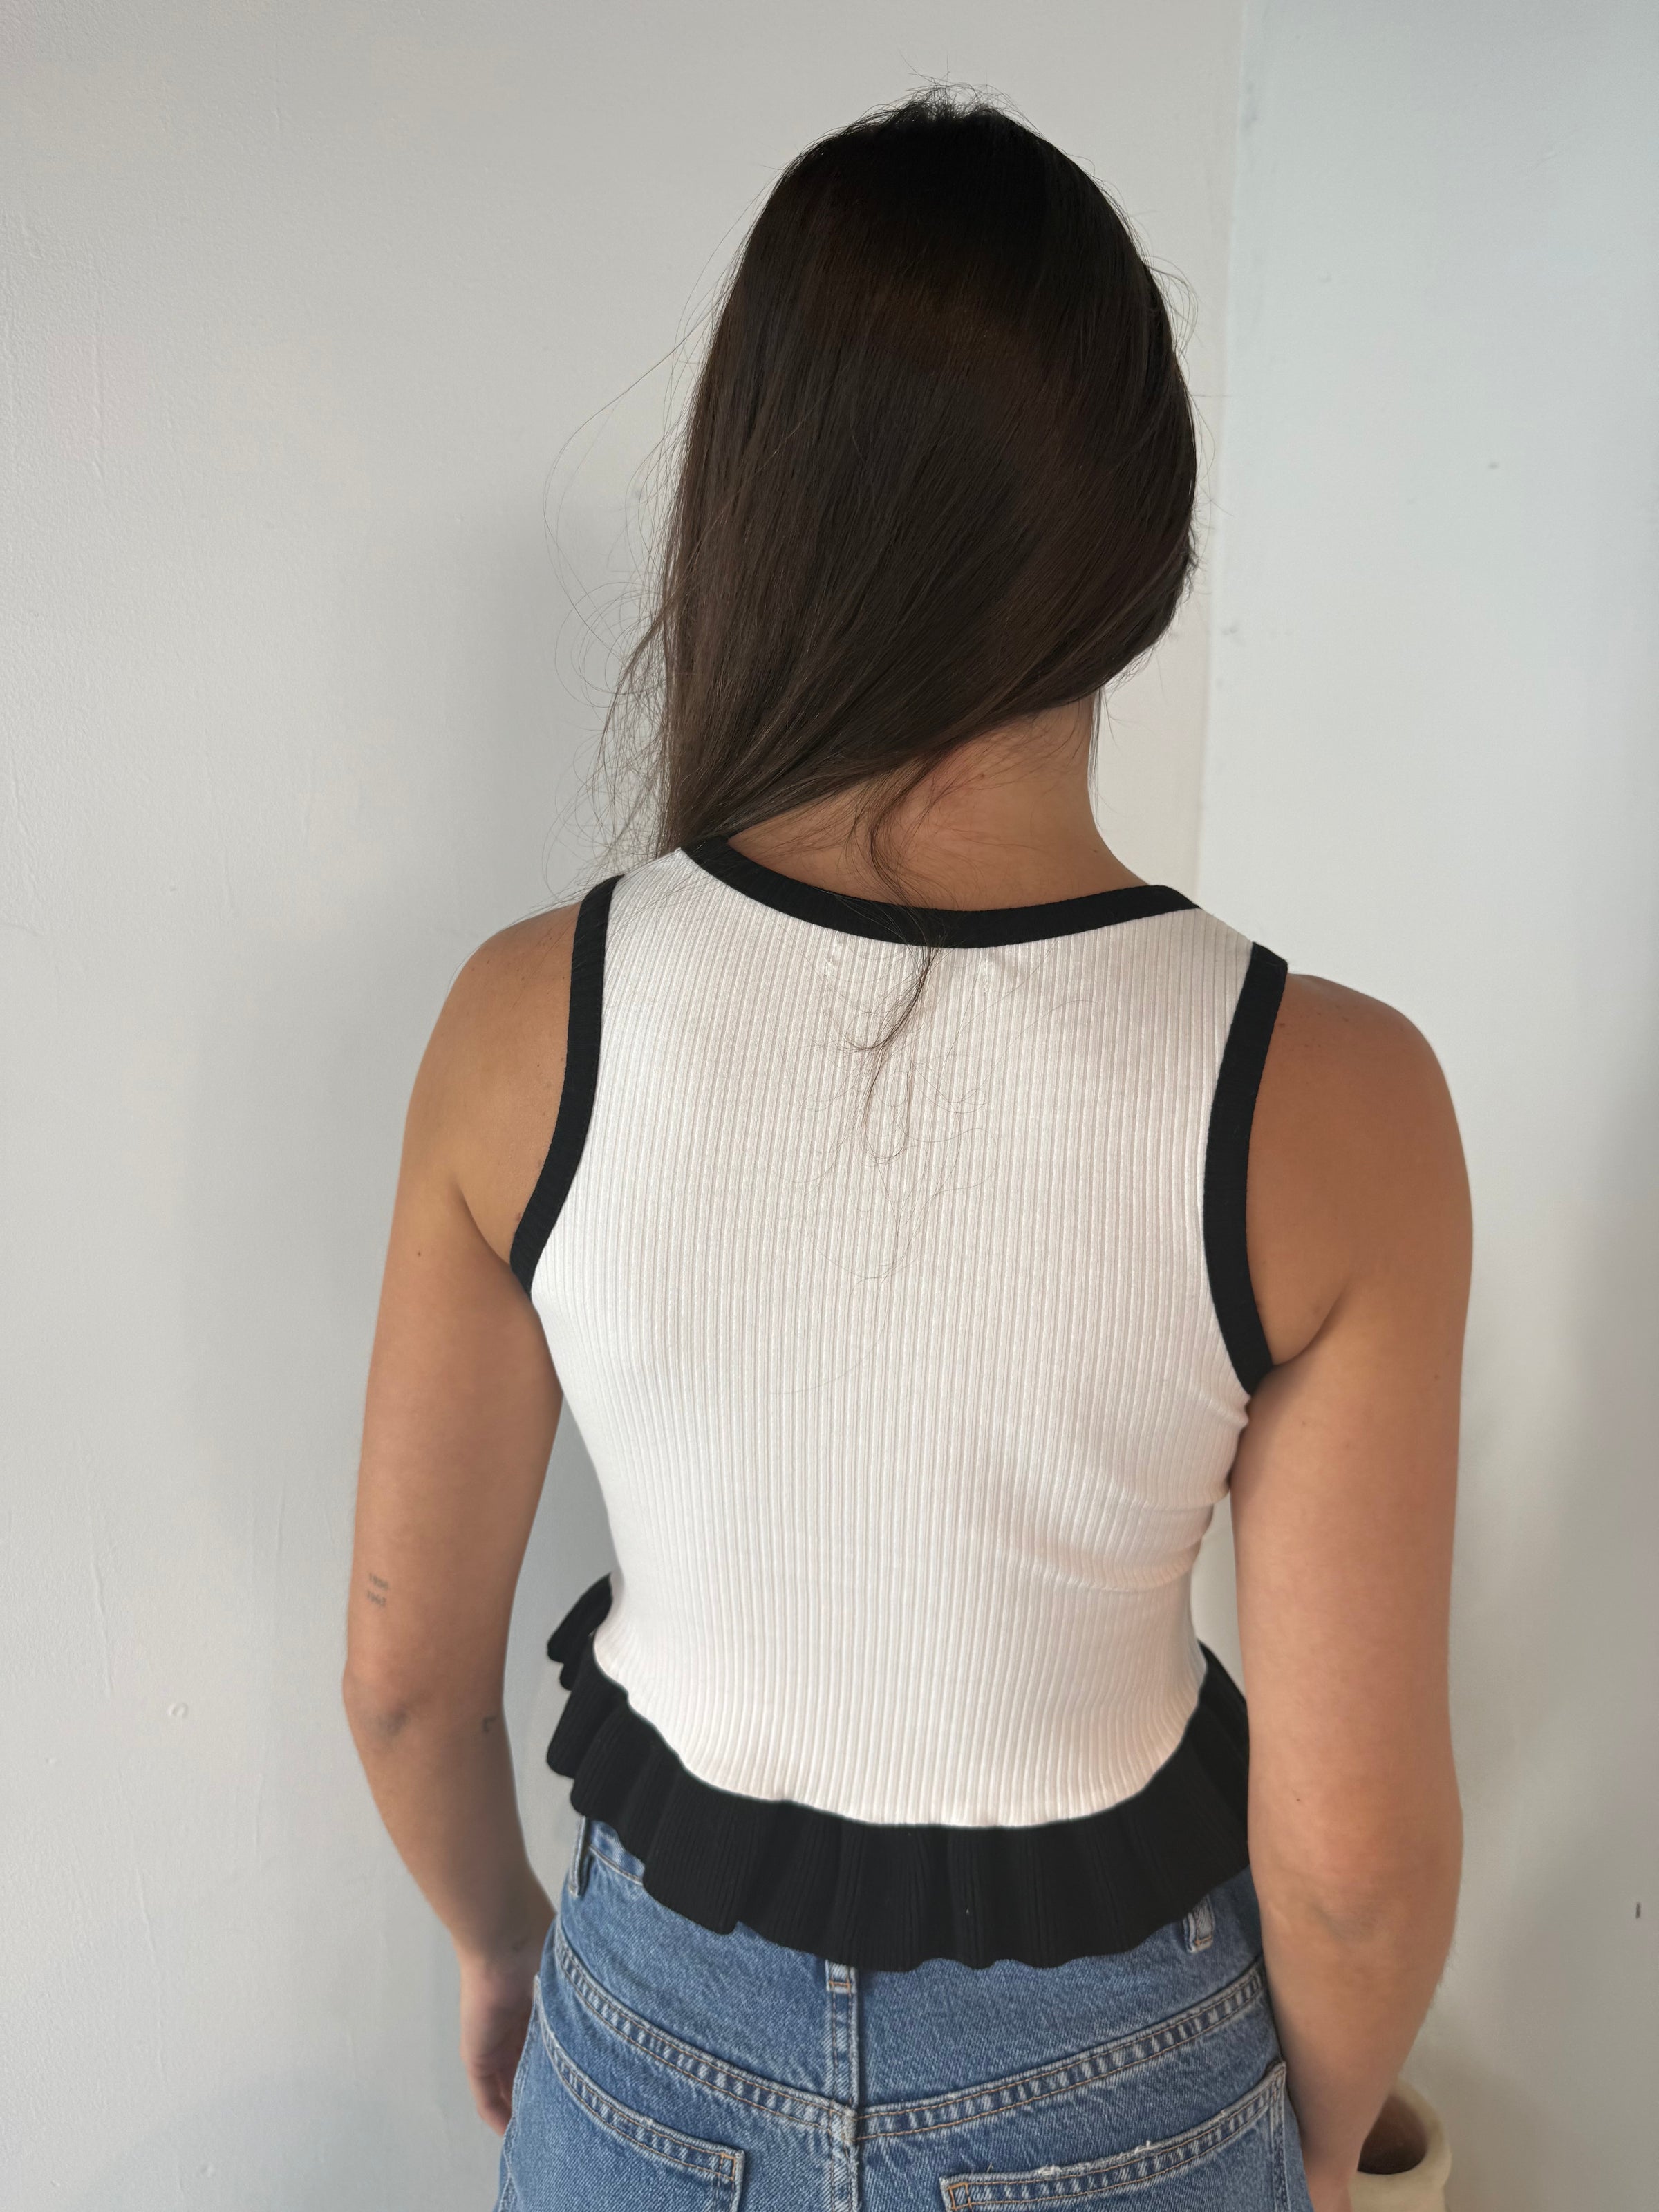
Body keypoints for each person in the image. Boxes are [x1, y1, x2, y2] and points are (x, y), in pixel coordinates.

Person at [343, 88, 1468, 2212]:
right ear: (1145, 545)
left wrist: (505, 1945)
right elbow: (1349, 1863)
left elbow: (405, 1682)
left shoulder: (524, 1023)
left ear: (750, 510)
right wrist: (1312, 2147)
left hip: (648, 2041)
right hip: (1126, 2090)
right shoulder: (1333, 1098)